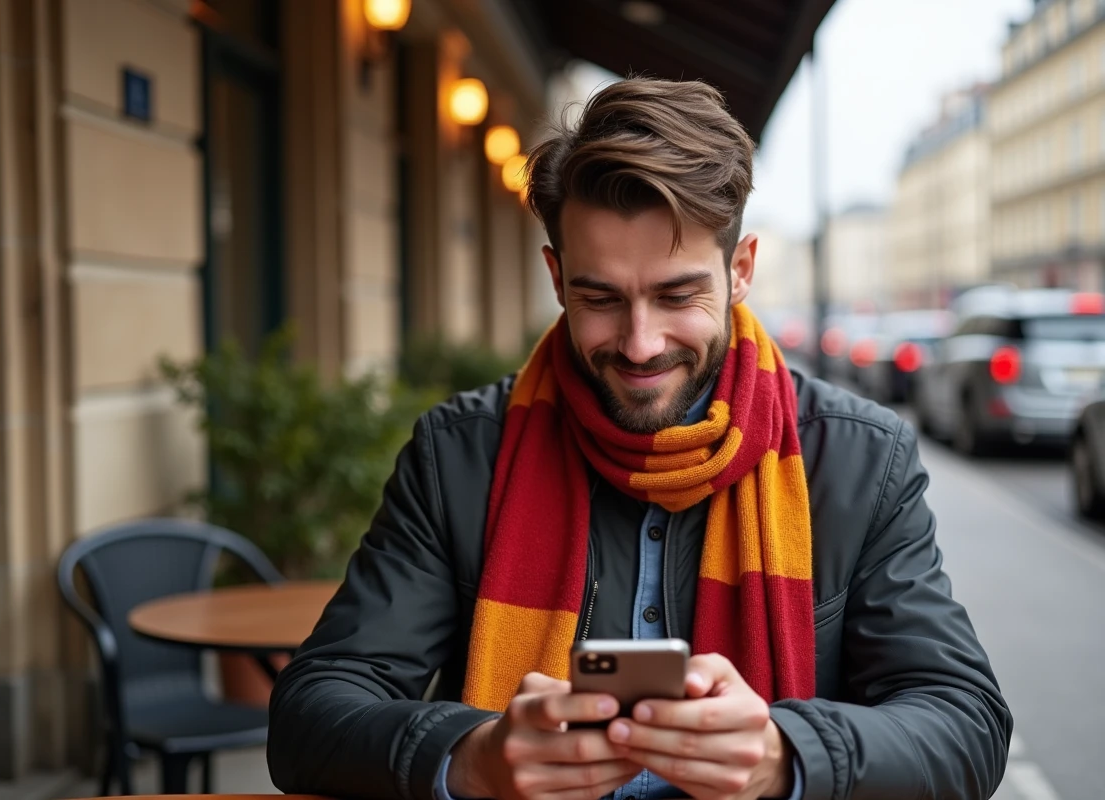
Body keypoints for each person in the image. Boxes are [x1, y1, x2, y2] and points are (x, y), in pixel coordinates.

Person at [267, 78, 1011, 800]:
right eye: (600, 299)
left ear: (741, 270)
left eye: (678, 294)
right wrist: (472, 757)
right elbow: (311, 713)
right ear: (557, 279)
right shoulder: (458, 455)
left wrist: (788, 757)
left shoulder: (859, 458)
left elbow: (964, 722)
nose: (640, 343)